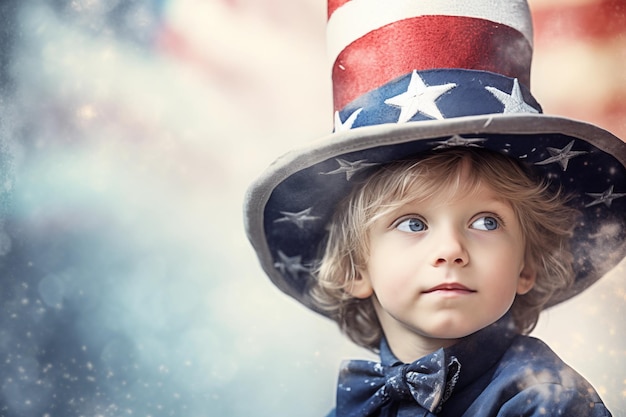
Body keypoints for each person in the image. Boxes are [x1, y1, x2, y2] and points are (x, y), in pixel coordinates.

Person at [243, 0, 626, 415]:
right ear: (354, 267)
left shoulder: (546, 399)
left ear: (527, 263)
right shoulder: (358, 407)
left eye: (486, 221)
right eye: (412, 223)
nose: (451, 250)